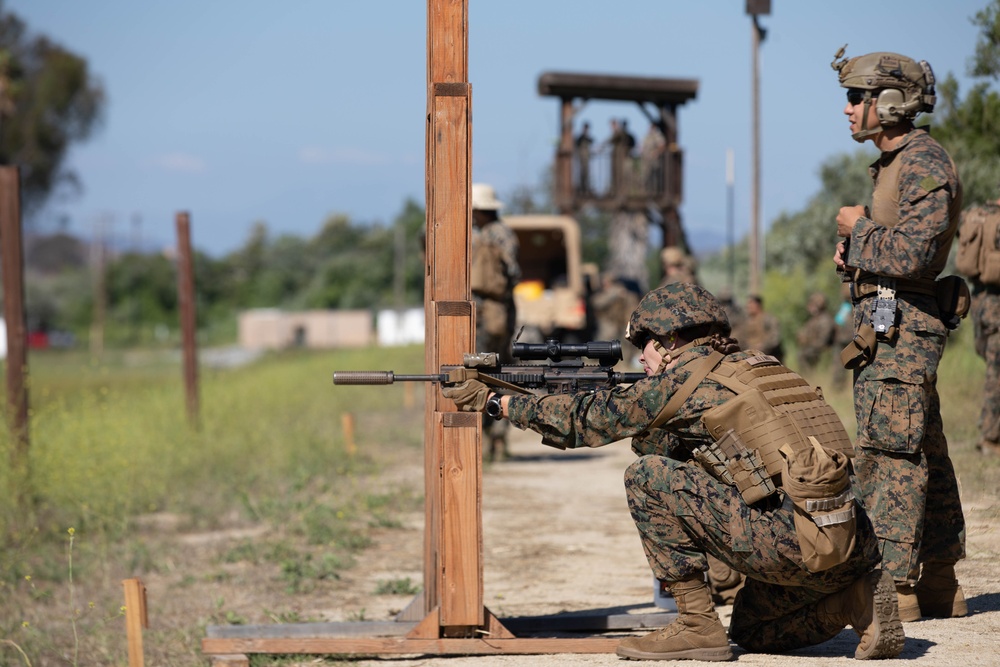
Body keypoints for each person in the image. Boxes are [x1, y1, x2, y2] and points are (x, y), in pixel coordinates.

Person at [442, 283, 904, 662]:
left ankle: (696, 624)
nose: (641, 359)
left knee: (647, 478)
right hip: (850, 543)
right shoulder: (761, 366)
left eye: (644, 346)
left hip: (793, 545)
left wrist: (499, 402)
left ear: (671, 341)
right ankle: (854, 601)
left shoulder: (686, 381)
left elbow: (586, 421)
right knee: (753, 628)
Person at [831, 48, 967, 622]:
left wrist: (858, 229)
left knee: (889, 458)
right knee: (922, 449)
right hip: (891, 324)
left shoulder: (923, 163)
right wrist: (854, 255)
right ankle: (938, 582)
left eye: (855, 97)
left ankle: (893, 590)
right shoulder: (895, 163)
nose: (847, 109)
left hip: (904, 329)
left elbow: (914, 254)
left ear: (887, 102)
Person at [470, 182, 521, 461]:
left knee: (478, 374)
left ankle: (484, 438)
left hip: (482, 316)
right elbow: (513, 273)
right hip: (502, 313)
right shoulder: (505, 234)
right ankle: (499, 439)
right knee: (503, 373)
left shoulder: (477, 237)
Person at [958, 201, 1000, 456]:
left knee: (992, 367)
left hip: (979, 300)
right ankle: (991, 437)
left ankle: (988, 428)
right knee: (997, 372)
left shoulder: (975, 213)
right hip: (997, 302)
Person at [796, 292, 836, 375]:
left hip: (822, 351)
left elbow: (823, 341)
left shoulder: (825, 320)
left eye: (812, 304)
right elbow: (804, 334)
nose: (809, 307)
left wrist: (808, 342)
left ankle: (809, 376)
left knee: (803, 355)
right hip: (813, 348)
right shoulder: (813, 320)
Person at [734, 294, 783, 361]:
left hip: (769, 356)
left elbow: (775, 337)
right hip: (749, 355)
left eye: (751, 303)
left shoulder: (768, 319)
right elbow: (739, 337)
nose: (748, 306)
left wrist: (763, 346)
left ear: (758, 305)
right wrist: (748, 348)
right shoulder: (745, 322)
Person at [574, 121, 594, 195]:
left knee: (586, 173)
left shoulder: (587, 137)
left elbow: (591, 141)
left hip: (586, 158)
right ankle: (582, 187)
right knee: (582, 173)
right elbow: (577, 142)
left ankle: (585, 187)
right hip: (581, 158)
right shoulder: (581, 137)